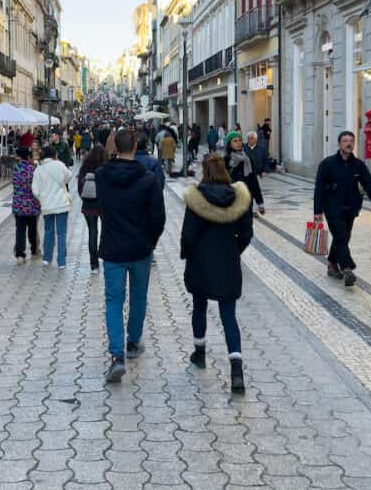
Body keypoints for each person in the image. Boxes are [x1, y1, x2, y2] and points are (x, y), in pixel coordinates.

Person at [96, 129, 166, 383]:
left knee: (113, 301)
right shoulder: (148, 179)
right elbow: (159, 217)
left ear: (115, 146)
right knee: (138, 297)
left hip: (113, 248)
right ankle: (133, 342)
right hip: (140, 249)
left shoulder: (103, 176)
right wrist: (151, 240)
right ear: (135, 146)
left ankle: (117, 355)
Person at [180, 155, 253, 393]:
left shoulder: (196, 199)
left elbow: (188, 236)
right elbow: (246, 234)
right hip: (228, 262)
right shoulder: (239, 199)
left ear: (204, 171)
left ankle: (199, 353)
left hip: (201, 261)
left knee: (199, 306)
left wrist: (187, 255)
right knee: (228, 315)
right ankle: (236, 370)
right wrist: (234, 251)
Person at [314, 131, 371, 287]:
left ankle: (332, 263)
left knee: (342, 238)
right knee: (341, 237)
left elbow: (369, 183)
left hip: (351, 208)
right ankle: (347, 269)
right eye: (345, 141)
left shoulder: (358, 164)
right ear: (339, 144)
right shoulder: (327, 164)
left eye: (351, 141)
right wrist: (317, 211)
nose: (348, 144)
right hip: (332, 208)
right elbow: (318, 189)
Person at [31, 145, 72, 270]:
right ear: (54, 155)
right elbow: (68, 177)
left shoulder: (39, 169)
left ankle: (47, 258)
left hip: (47, 205)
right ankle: (61, 261)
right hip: (61, 204)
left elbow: (35, 190)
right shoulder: (59, 165)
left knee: (48, 232)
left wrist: (42, 198)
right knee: (61, 233)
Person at [78, 145, 107, 272]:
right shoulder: (106, 167)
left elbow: (80, 187)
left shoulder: (85, 167)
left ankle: (94, 264)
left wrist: (84, 197)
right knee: (106, 231)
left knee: (92, 232)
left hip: (88, 205)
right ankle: (106, 256)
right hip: (103, 204)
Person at [11, 147, 41, 264]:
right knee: (32, 229)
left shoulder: (16, 168)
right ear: (28, 156)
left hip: (18, 205)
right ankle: (34, 250)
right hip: (32, 205)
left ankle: (20, 254)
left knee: (20, 230)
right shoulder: (33, 168)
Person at [224, 132, 263, 215]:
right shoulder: (225, 161)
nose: (239, 143)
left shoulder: (247, 160)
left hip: (247, 199)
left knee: (247, 227)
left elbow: (254, 181)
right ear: (229, 144)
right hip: (232, 200)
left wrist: (260, 202)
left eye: (240, 140)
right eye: (235, 141)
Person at [243, 132, 268, 215]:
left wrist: (264, 170)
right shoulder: (244, 148)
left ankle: (257, 207)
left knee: (256, 191)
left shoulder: (262, 148)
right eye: (249, 138)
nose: (251, 140)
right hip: (247, 174)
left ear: (256, 139)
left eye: (253, 138)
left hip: (258, 173)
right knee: (250, 191)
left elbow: (265, 160)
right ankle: (253, 210)